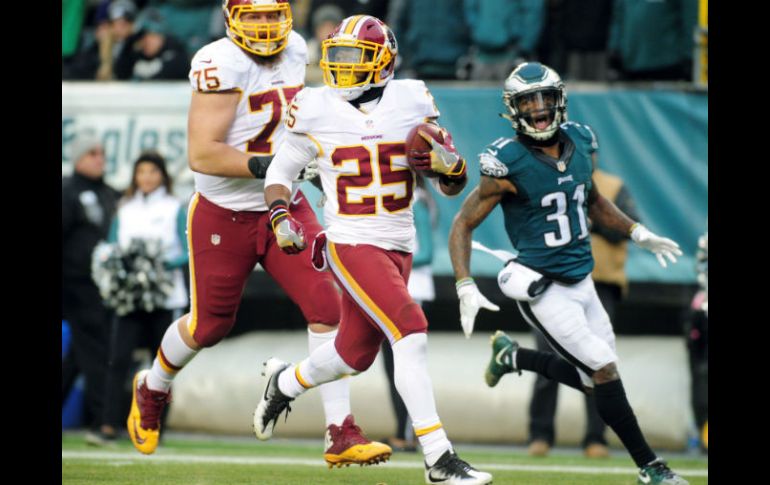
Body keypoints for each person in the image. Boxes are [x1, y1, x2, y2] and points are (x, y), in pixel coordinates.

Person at [126, 0, 390, 468]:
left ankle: (340, 432)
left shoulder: (296, 48)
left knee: (328, 306)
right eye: (255, 16)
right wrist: (274, 165)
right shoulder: (218, 62)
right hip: (223, 211)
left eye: (273, 15)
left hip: (281, 203)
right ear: (232, 17)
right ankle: (154, 386)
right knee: (209, 326)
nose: (266, 26)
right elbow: (202, 155)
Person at [258, 15, 492, 485]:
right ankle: (439, 458)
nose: (342, 68)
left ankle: (283, 383)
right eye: (337, 58)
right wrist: (281, 215)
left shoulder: (412, 99)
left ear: (383, 62)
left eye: (354, 58)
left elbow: (449, 185)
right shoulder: (315, 107)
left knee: (352, 355)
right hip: (351, 240)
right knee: (411, 328)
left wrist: (453, 168)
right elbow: (278, 174)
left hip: (400, 242)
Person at [448, 62, 688, 485]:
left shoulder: (581, 139)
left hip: (585, 282)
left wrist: (637, 231)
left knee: (598, 381)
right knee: (603, 371)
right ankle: (652, 468)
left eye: (544, 98)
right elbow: (462, 223)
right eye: (528, 101)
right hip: (544, 289)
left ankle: (513, 357)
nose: (539, 109)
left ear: (559, 100)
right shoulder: (505, 162)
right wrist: (464, 282)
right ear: (513, 108)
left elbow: (592, 200)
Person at [527, 165, 638, 458]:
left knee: (598, 362)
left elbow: (629, 225)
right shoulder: (543, 180)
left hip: (598, 284)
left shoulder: (611, 186)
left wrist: (594, 222)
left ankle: (595, 438)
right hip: (552, 282)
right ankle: (540, 434)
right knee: (547, 359)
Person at [96, 151, 189, 445]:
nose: (146, 177)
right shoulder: (124, 208)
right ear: (134, 176)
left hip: (165, 297)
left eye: (152, 171)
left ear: (162, 174)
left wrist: (159, 265)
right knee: (118, 358)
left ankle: (155, 425)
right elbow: (111, 247)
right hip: (130, 298)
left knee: (161, 362)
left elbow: (188, 250)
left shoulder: (175, 206)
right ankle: (109, 424)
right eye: (141, 172)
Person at [62, 130, 121, 444]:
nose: (100, 159)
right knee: (97, 352)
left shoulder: (109, 193)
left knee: (78, 357)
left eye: (101, 152)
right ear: (78, 158)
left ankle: (104, 417)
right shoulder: (68, 191)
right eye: (92, 154)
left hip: (105, 287)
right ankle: (104, 420)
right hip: (77, 285)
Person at [380, 176, 436, 453]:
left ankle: (408, 432)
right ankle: (405, 429)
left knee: (403, 363)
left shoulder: (416, 200)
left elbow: (426, 252)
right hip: (393, 289)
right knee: (392, 365)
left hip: (408, 290)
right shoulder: (393, 195)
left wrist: (386, 263)